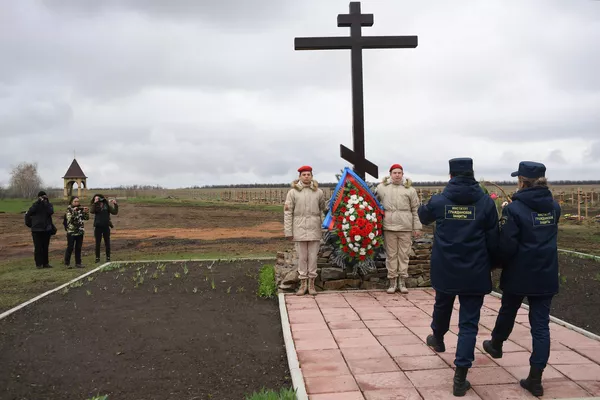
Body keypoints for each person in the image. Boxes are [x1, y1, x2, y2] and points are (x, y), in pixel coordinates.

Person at [417, 158, 499, 397]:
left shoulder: (440, 200)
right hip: (475, 270)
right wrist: (492, 264)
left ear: (450, 175)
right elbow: (494, 239)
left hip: (445, 268)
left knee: (443, 304)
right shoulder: (485, 203)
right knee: (469, 322)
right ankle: (460, 376)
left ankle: (438, 338)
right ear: (472, 174)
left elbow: (423, 217)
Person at [482, 161, 560, 397]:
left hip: (519, 271)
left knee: (508, 309)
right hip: (546, 272)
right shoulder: (554, 207)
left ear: (523, 182)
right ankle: (536, 378)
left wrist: (495, 262)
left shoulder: (514, 209)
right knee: (540, 325)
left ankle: (496, 344)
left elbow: (507, 245)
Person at [376, 164, 422, 294]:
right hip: (389, 226)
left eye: (399, 173)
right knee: (391, 255)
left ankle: (402, 280)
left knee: (404, 254)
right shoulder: (382, 188)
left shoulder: (410, 190)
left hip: (405, 226)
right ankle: (392, 280)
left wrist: (417, 226)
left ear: (402, 174)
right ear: (390, 174)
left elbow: (415, 210)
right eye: (394, 172)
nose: (397, 175)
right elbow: (374, 203)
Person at [284, 165, 326, 296]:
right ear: (299, 177)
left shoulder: (318, 192)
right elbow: (287, 212)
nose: (306, 176)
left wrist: (324, 225)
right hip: (299, 228)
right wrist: (288, 232)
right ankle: (303, 284)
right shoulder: (292, 193)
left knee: (313, 258)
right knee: (302, 258)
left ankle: (311, 284)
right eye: (304, 174)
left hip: (314, 229)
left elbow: (322, 210)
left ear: (312, 176)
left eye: (308, 174)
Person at [26, 191, 55, 269]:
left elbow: (51, 211)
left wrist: (45, 203)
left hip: (46, 229)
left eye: (45, 197)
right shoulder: (35, 205)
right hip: (36, 230)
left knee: (45, 247)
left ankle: (46, 263)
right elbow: (29, 212)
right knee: (38, 247)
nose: (43, 198)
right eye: (42, 197)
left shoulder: (48, 205)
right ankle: (39, 264)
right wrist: (39, 202)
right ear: (38, 197)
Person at [90, 194, 118, 263]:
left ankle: (108, 257)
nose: (98, 200)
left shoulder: (106, 205)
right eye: (95, 199)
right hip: (98, 227)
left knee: (107, 243)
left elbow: (114, 212)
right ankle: (97, 258)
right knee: (97, 243)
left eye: (98, 198)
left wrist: (115, 204)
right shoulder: (95, 205)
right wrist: (95, 202)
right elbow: (92, 211)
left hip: (106, 226)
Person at [64, 196, 90, 268]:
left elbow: (86, 218)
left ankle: (78, 263)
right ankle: (67, 263)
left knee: (78, 247)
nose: (76, 203)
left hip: (80, 231)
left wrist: (86, 212)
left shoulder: (80, 209)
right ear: (71, 202)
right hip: (71, 232)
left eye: (77, 201)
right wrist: (74, 212)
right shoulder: (69, 209)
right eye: (75, 201)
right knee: (70, 247)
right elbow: (70, 220)